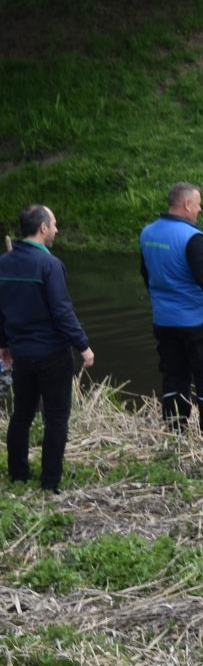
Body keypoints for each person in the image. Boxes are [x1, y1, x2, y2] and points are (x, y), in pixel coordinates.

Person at [0, 205, 95, 492]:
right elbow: (62, 311)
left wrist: (4, 345)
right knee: (56, 418)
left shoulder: (4, 262)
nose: (56, 229)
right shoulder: (50, 265)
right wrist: (84, 346)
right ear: (42, 228)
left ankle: (17, 474)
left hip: (22, 354)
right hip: (52, 354)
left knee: (21, 415)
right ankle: (50, 482)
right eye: (54, 224)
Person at [139, 182, 203, 434]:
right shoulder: (193, 237)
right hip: (198, 321)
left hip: (164, 321)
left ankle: (175, 428)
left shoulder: (148, 233)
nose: (200, 209)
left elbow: (146, 273)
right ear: (186, 204)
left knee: (174, 373)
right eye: (198, 203)